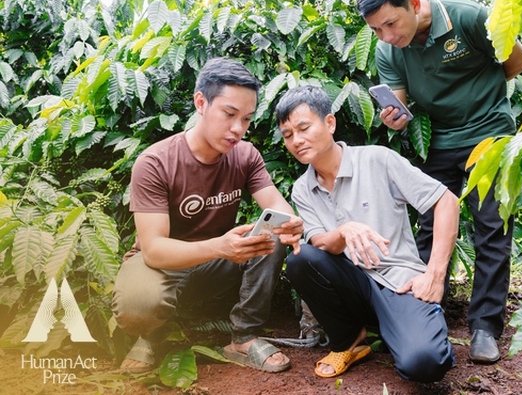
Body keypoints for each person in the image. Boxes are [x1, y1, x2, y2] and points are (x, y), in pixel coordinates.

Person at [356, 0, 522, 364]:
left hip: (490, 135)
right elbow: (399, 101)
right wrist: (395, 116)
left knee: (492, 226)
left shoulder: (469, 17)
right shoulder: (389, 49)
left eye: (390, 24)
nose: (385, 37)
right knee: (431, 226)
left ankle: (485, 327)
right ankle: (423, 310)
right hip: (442, 140)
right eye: (376, 30)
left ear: (414, 5)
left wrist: (481, 96)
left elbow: (518, 60)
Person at [112, 57, 304, 374]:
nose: (237, 129)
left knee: (271, 232)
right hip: (162, 263)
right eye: (229, 115)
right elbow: (155, 249)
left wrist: (292, 222)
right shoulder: (155, 162)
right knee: (140, 305)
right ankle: (151, 334)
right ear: (201, 102)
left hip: (215, 263)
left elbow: (275, 205)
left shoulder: (245, 154)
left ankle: (242, 337)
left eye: (246, 119)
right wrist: (218, 247)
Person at [275, 85, 458, 383]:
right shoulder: (302, 188)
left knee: (424, 365)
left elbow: (446, 201)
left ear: (330, 123)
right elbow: (319, 244)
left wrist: (435, 275)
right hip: (352, 284)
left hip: (399, 282)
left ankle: (412, 328)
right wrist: (344, 231)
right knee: (300, 258)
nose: (297, 140)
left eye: (303, 128)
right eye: (287, 135)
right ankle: (349, 339)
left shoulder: (378, 159)